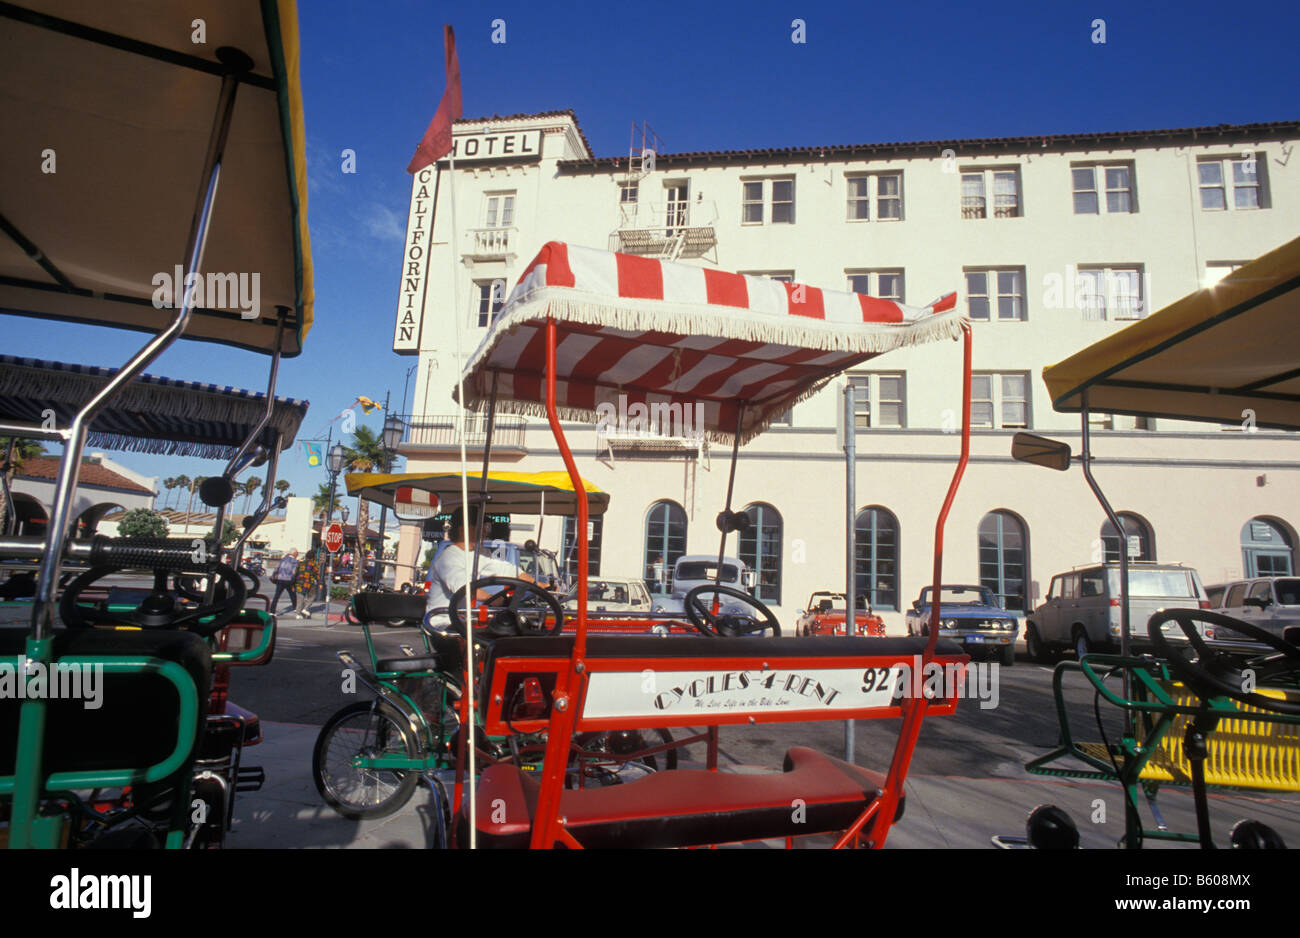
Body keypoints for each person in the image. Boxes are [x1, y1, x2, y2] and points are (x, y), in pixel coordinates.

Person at [426, 505, 537, 627]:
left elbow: (504, 568)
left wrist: (535, 584)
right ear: (463, 530)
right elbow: (465, 589)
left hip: (463, 621)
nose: (484, 531)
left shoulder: (480, 553)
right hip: (443, 625)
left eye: (485, 527)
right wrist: (493, 598)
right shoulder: (447, 559)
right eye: (479, 527)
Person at [269, 548, 300, 615]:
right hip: (289, 580)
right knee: (293, 595)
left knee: (276, 596)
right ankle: (295, 608)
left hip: (280, 579)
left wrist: (274, 576)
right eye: (297, 553)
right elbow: (294, 572)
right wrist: (294, 581)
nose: (297, 554)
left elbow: (276, 568)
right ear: (294, 553)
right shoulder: (295, 561)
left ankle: (272, 611)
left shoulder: (283, 559)